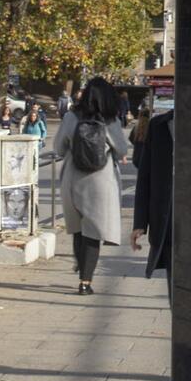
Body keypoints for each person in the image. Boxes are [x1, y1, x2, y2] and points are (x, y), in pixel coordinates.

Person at [53, 77, 129, 295]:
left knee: (78, 228)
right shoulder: (110, 120)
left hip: (73, 178)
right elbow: (122, 150)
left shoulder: (70, 117)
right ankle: (85, 281)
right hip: (100, 181)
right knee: (93, 232)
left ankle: (80, 264)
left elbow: (59, 148)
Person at [132, 99, 173, 291]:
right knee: (176, 290)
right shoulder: (158, 126)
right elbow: (145, 178)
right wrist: (140, 223)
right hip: (168, 224)